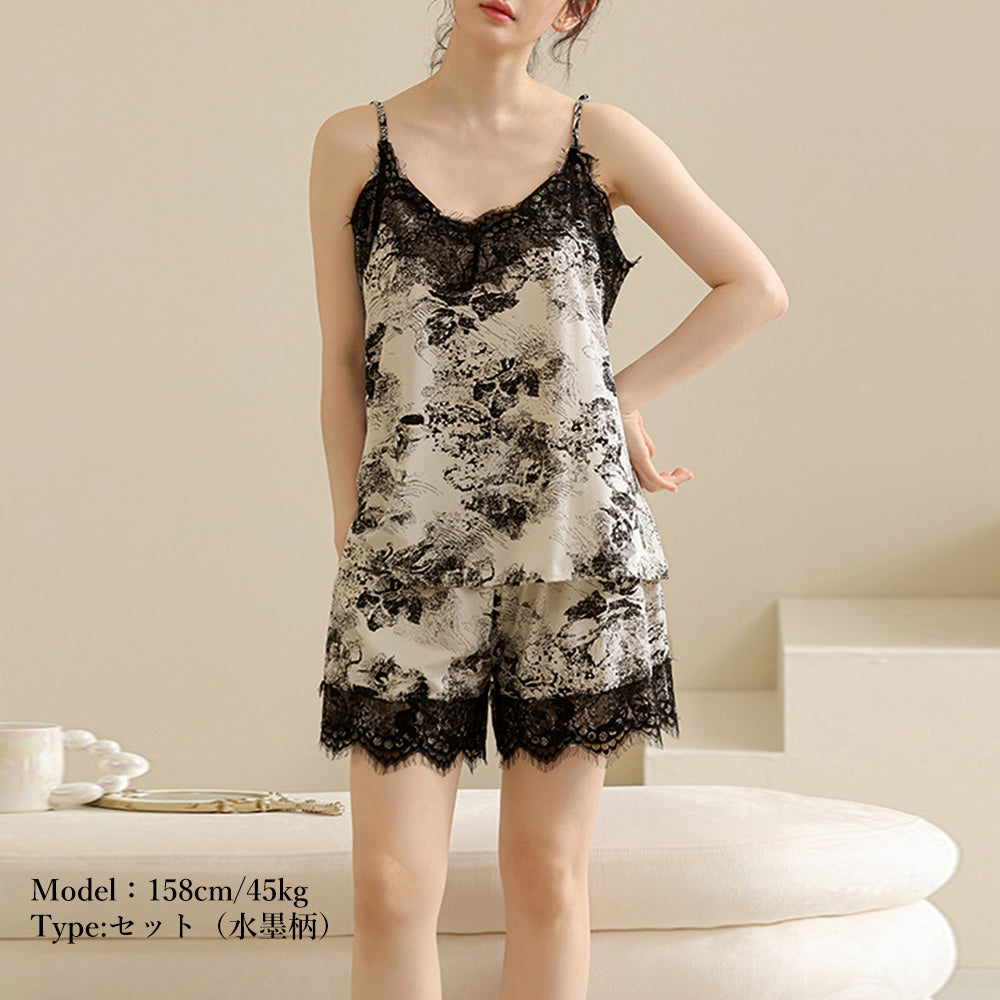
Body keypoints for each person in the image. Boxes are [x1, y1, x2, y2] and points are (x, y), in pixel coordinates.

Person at [308, 3, 788, 998]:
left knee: (546, 874)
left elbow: (753, 287)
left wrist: (614, 396)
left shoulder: (599, 141)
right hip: (408, 556)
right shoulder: (353, 144)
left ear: (570, 10)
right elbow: (345, 360)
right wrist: (352, 532)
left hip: (577, 556)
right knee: (390, 887)